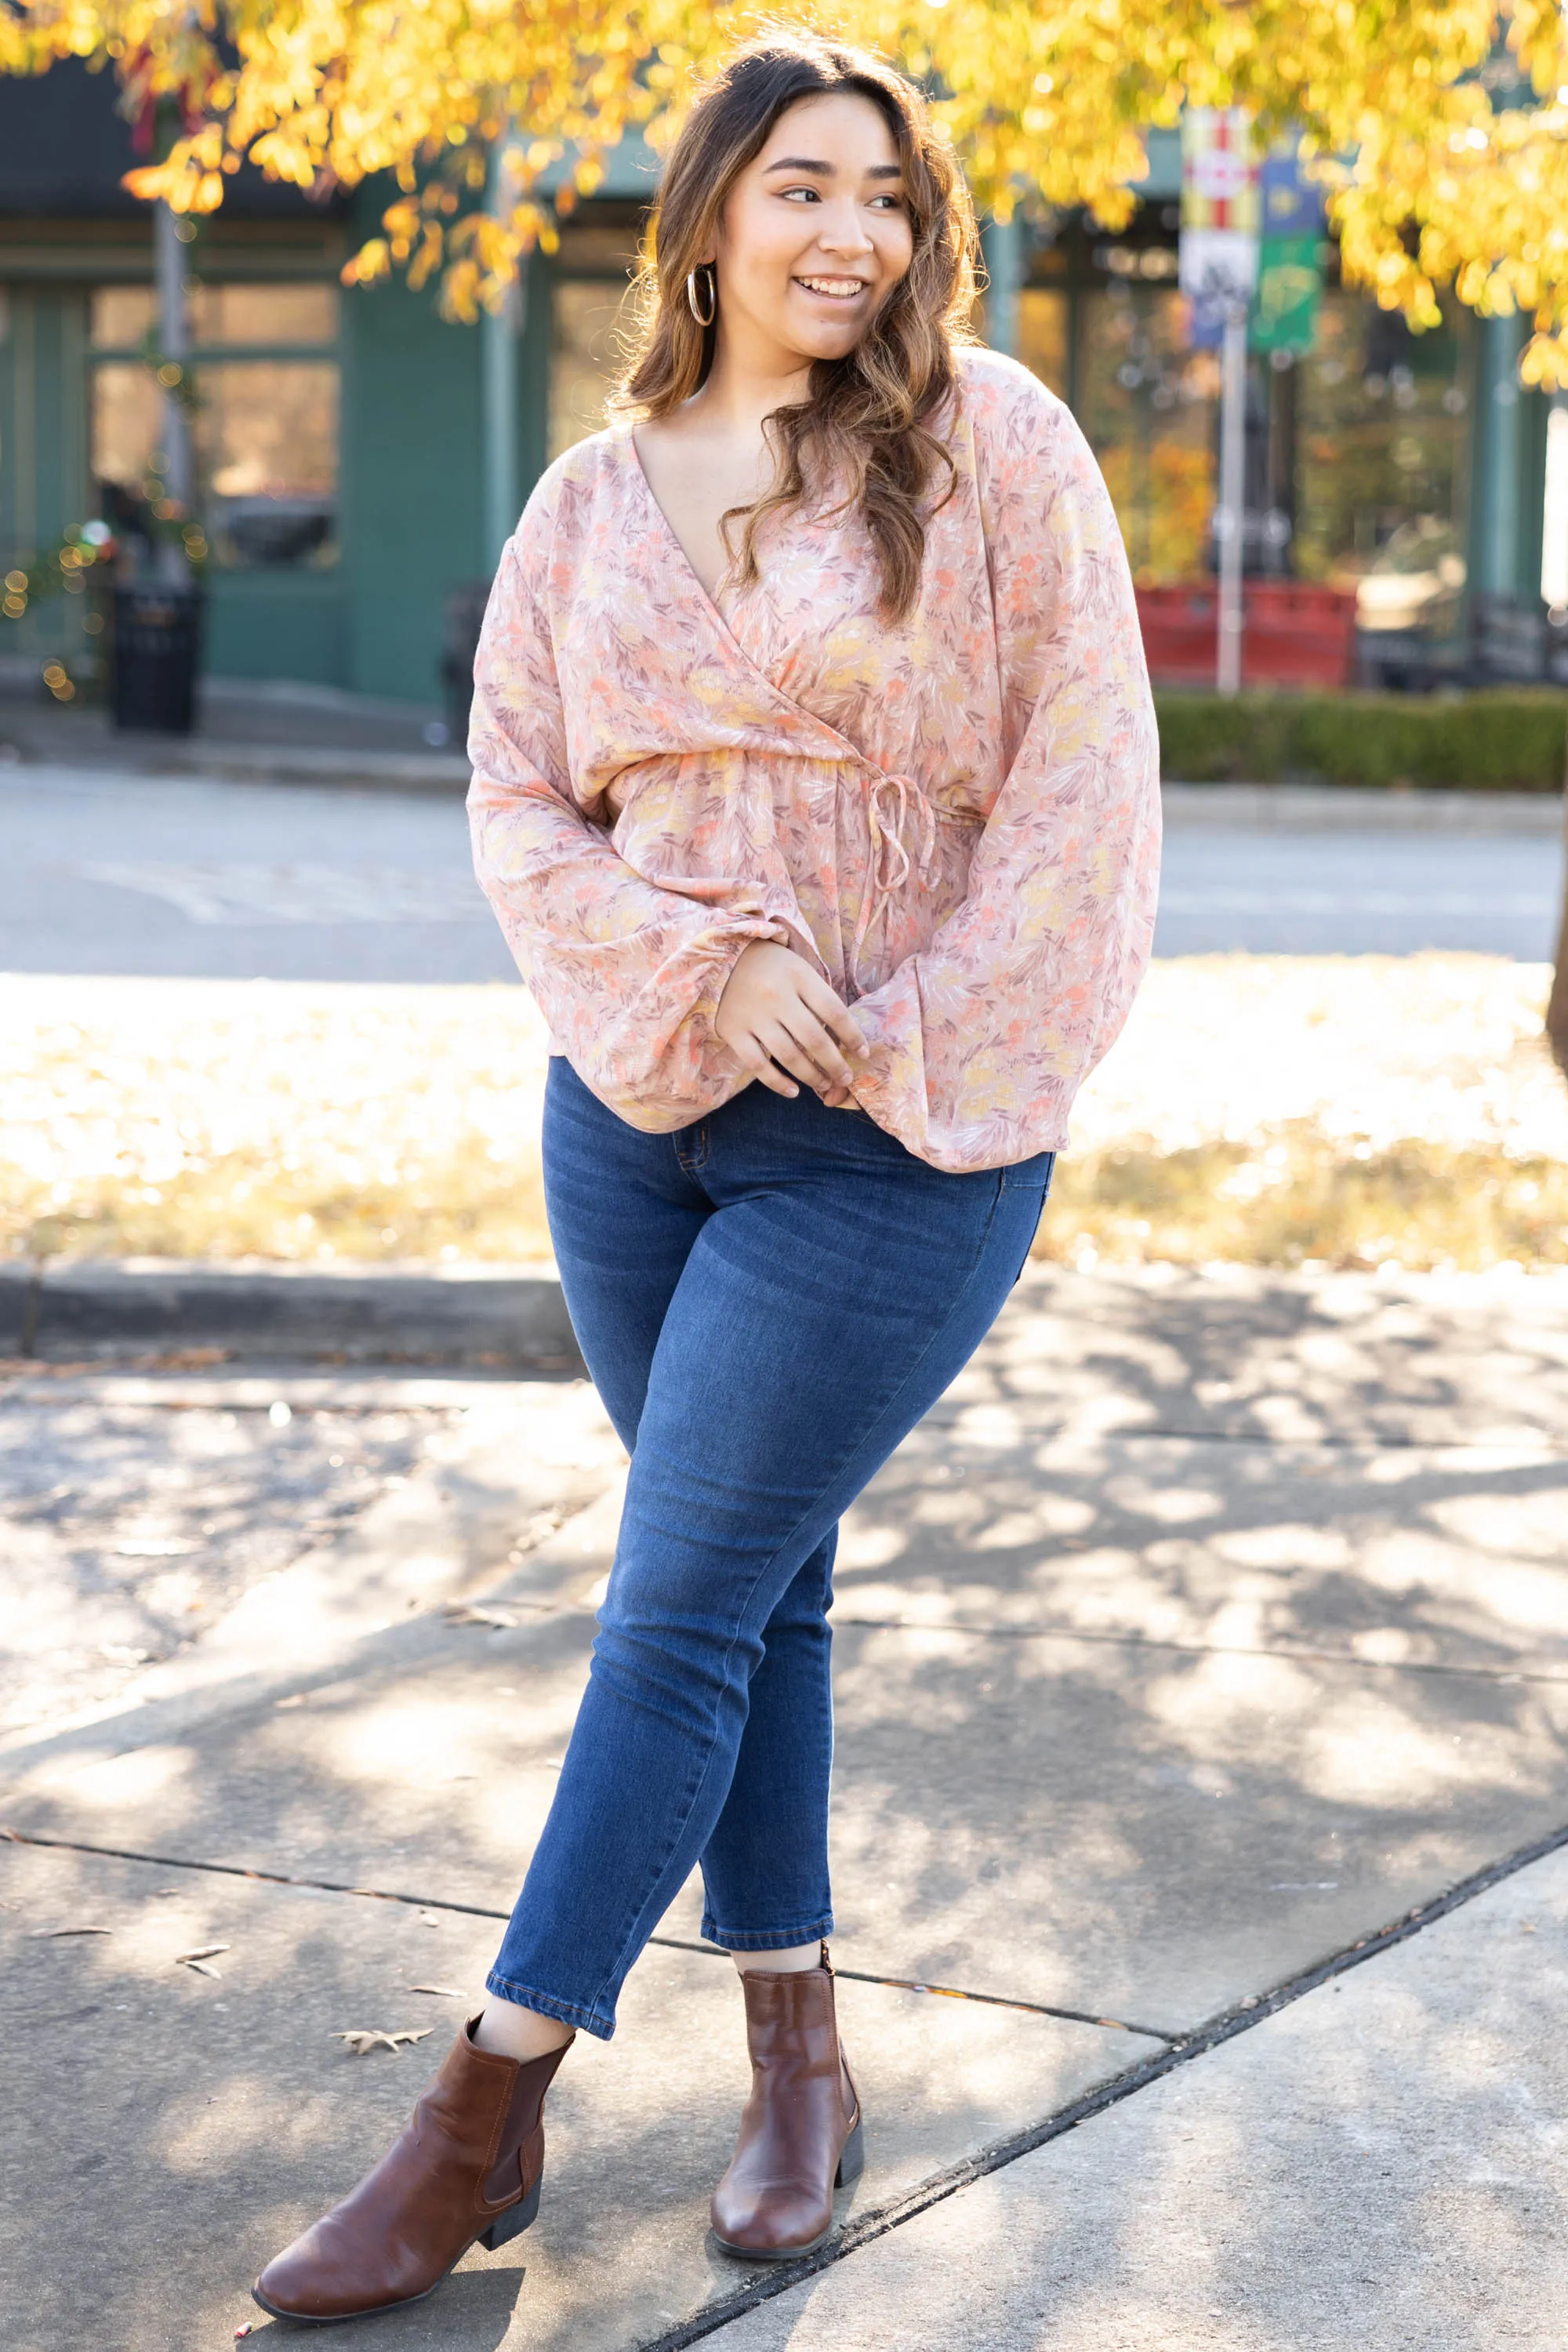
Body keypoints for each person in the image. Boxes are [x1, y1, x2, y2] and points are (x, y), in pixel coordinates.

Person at [253, 27, 1159, 2327]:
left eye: (885, 192)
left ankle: (482, 2101)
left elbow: (1084, 795)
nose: (852, 232)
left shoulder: (998, 452)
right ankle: (798, 2063)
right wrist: (687, 967)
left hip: (900, 1135)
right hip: (634, 1126)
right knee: (756, 1591)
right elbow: (516, 799)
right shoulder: (585, 497)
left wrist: (902, 1047)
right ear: (707, 218)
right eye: (802, 189)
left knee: (670, 1608)